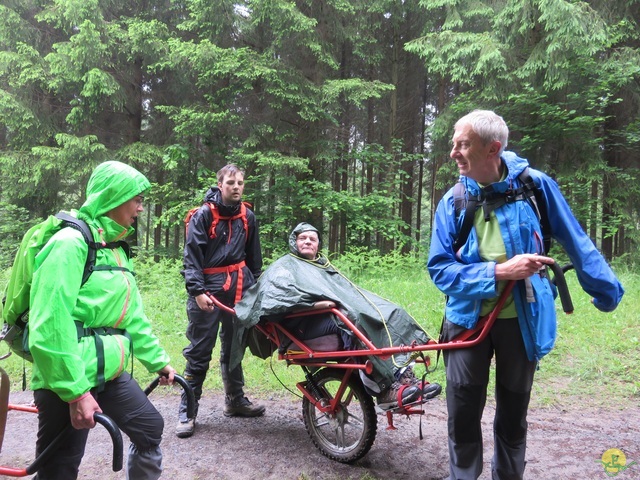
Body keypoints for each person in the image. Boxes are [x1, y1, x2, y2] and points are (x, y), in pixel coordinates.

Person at [427, 109, 624, 480]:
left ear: (493, 148)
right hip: (467, 323)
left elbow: (576, 240)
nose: (453, 152)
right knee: (464, 414)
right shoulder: (453, 200)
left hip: (524, 321)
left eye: (463, 144)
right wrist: (501, 271)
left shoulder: (535, 186)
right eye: (453, 144)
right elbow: (439, 268)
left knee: (514, 414)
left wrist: (606, 292)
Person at [28, 160, 177, 480]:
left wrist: (158, 362)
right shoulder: (69, 244)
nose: (140, 207)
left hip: (108, 371)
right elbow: (49, 325)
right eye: (136, 199)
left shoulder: (117, 251)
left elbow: (132, 316)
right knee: (61, 467)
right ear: (113, 197)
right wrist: (76, 393)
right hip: (64, 378)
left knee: (149, 428)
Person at [234, 223, 442, 410]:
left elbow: (347, 292)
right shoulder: (284, 267)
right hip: (298, 326)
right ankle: (383, 388)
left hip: (324, 317)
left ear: (317, 245)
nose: (307, 241)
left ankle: (405, 376)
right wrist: (315, 304)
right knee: (349, 319)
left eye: (312, 239)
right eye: (302, 238)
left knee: (391, 313)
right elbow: (275, 300)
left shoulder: (323, 267)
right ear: (294, 242)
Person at [177, 164, 264, 438]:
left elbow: (254, 259)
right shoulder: (203, 216)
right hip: (208, 293)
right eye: (230, 182)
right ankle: (187, 411)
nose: (236, 187)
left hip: (239, 289)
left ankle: (235, 400)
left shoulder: (248, 216)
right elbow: (191, 258)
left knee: (235, 346)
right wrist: (197, 291)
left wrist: (256, 290)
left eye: (240, 182)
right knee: (200, 351)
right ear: (220, 185)